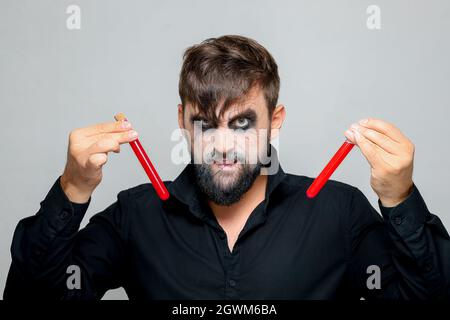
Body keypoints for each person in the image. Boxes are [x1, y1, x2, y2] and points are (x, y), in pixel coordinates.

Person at [4, 35, 450, 300]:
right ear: (182, 121)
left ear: (275, 122)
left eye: (241, 124)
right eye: (204, 124)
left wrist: (400, 199)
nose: (221, 147)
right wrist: (72, 189)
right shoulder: (135, 217)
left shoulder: (338, 212)